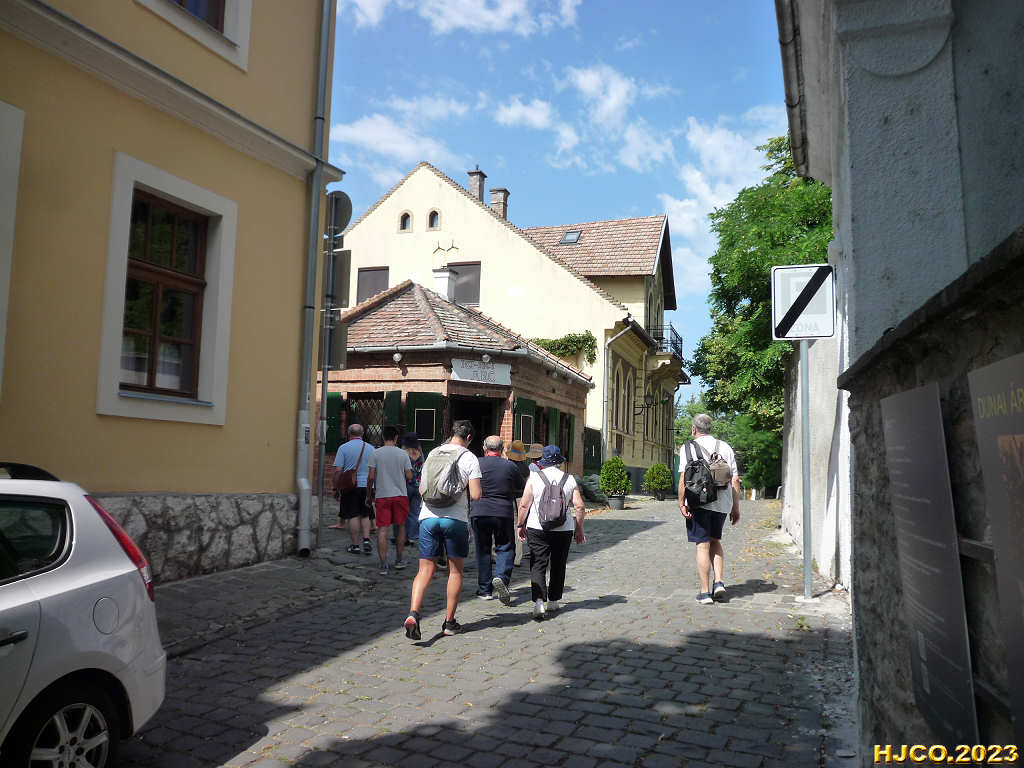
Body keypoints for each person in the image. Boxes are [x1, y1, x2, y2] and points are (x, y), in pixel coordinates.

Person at [404, 420, 482, 639]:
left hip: (428, 517)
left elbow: (423, 485)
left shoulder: (434, 452)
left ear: (452, 433)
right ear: (469, 438)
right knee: (455, 571)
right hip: (454, 519)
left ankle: (413, 613)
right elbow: (476, 495)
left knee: (424, 570)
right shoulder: (469, 457)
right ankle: (449, 622)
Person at [516, 445, 586, 620]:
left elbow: (524, 505)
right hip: (563, 529)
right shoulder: (569, 479)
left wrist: (520, 524)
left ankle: (539, 601)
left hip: (537, 527)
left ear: (543, 461)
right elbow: (579, 506)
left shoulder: (534, 477)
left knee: (538, 563)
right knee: (558, 564)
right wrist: (579, 528)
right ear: (559, 461)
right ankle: (553, 601)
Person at [678, 413, 741, 604]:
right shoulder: (725, 447)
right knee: (715, 541)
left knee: (702, 544)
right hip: (722, 503)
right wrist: (735, 507)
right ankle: (719, 582)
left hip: (699, 501)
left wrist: (681, 502)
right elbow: (735, 479)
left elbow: (684, 479)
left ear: (694, 429)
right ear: (710, 428)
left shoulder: (688, 448)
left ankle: (705, 592)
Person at [472, 436, 525, 604]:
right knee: (506, 547)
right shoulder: (509, 466)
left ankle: (484, 589)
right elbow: (521, 486)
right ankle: (502, 577)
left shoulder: (476, 464)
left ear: (484, 448)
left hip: (479, 511)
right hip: (503, 512)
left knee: (483, 550)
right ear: (502, 450)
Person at [367, 426, 413, 574]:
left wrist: (369, 494)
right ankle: (399, 559)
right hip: (400, 495)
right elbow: (409, 476)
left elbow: (371, 477)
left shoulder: (375, 453)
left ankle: (383, 563)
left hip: (382, 495)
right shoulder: (403, 454)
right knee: (401, 527)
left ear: (382, 437)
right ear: (396, 438)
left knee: (382, 529)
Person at [332, 424, 373, 555]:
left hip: (350, 486)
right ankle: (366, 540)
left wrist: (336, 487)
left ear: (349, 433)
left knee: (353, 515)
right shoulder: (371, 448)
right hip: (366, 485)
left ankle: (355, 545)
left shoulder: (343, 448)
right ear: (362, 433)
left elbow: (338, 471)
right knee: (365, 514)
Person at [506, 439, 530, 567]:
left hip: (508, 498)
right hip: (520, 499)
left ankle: (497, 553)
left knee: (504, 524)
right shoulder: (525, 468)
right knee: (518, 526)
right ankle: (517, 558)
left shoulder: (508, 466)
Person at [402, 432, 424, 544]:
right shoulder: (420, 454)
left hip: (406, 485)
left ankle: (403, 535)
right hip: (418, 485)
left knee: (404, 511)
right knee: (415, 512)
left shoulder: (403, 453)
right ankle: (413, 536)